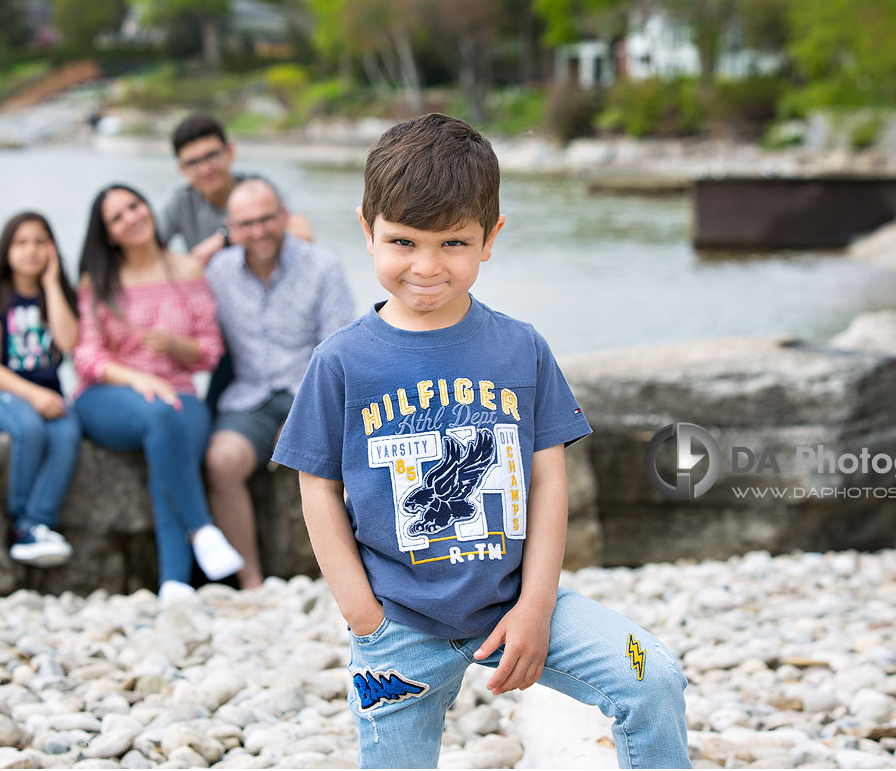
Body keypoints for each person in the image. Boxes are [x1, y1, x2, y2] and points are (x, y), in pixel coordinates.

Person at [272, 114, 690, 769]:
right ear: (366, 229)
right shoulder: (342, 361)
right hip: (399, 625)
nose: (427, 267)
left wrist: (536, 605)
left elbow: (549, 479)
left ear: (491, 237)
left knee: (653, 672)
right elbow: (317, 486)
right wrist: (364, 617)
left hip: (517, 601)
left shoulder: (519, 348)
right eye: (403, 242)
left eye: (453, 244)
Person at [73, 183, 244, 601]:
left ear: (148, 207)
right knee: (160, 417)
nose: (131, 217)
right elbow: (87, 355)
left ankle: (174, 586)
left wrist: (175, 345)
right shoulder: (99, 280)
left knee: (172, 437)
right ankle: (201, 530)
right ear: (108, 233)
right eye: (117, 216)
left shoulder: (186, 270)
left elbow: (209, 352)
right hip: (110, 393)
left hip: (180, 393)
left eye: (134, 205)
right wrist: (138, 379)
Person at [203, 175, 355, 590]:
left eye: (267, 218)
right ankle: (250, 582)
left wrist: (306, 414)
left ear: (285, 216)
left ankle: (346, 578)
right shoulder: (218, 272)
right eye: (246, 223)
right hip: (249, 395)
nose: (258, 231)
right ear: (231, 229)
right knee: (220, 463)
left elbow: (339, 348)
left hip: (309, 389)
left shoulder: (321, 265)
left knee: (345, 461)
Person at [0, 211, 80, 567]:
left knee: (66, 433)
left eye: (39, 241)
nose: (30, 250)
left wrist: (51, 285)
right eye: (21, 242)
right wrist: (31, 395)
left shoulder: (59, 295)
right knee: (30, 430)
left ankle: (38, 523)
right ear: (6, 250)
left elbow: (69, 340)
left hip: (49, 394)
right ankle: (22, 523)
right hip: (1, 394)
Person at [158, 113, 315, 268]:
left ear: (230, 152)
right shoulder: (181, 200)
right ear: (182, 169)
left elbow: (303, 235)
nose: (205, 169)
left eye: (211, 156)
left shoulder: (260, 188)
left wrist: (224, 239)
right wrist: (185, 263)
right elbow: (147, 249)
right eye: (193, 163)